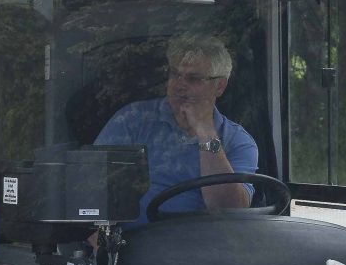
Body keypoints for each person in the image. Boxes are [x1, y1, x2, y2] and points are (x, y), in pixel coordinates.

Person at [95, 33, 258, 219]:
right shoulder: (132, 121)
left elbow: (230, 210)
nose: (179, 85)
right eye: (175, 74)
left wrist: (206, 132)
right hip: (134, 242)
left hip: (203, 244)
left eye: (193, 78)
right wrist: (103, 245)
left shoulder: (237, 141)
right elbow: (90, 188)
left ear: (219, 86)